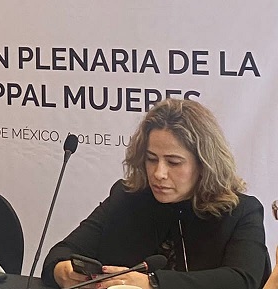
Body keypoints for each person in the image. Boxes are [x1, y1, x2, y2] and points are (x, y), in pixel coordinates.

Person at [42, 98, 270, 289]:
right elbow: (61, 253)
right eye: (151, 159)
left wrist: (153, 283)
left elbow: (243, 280)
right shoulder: (126, 198)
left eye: (173, 162)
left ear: (204, 164)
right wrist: (62, 271)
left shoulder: (240, 212)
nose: (159, 173)